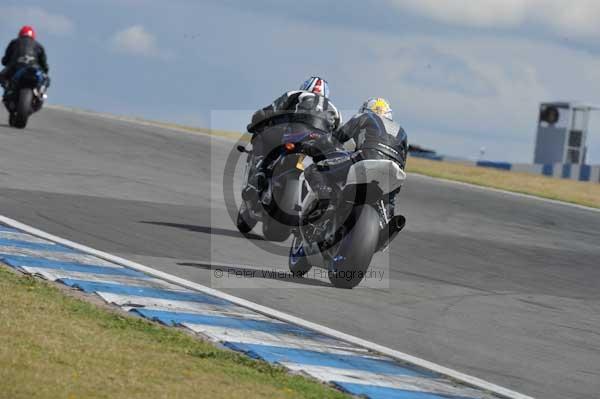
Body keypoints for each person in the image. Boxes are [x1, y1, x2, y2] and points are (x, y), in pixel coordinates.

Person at [304, 97, 408, 220]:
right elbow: (403, 163)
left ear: (366, 110)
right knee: (389, 202)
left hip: (367, 158)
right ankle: (387, 219)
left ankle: (326, 202)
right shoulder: (402, 132)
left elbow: (336, 138)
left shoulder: (365, 117)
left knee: (314, 170)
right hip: (394, 171)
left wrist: (314, 147)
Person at [243, 77, 341, 202]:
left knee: (260, 136)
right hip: (321, 142)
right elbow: (339, 134)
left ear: (305, 86)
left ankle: (259, 171)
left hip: (296, 134)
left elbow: (268, 111)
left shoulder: (296, 94)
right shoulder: (336, 111)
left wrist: (256, 122)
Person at [0, 26, 49, 94]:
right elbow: (44, 64)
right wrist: (45, 70)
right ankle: (41, 93)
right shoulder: (39, 46)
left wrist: (5, 62)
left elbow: (5, 59)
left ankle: (8, 89)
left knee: (2, 76)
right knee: (46, 79)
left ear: (20, 34)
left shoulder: (14, 42)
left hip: (16, 67)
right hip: (34, 69)